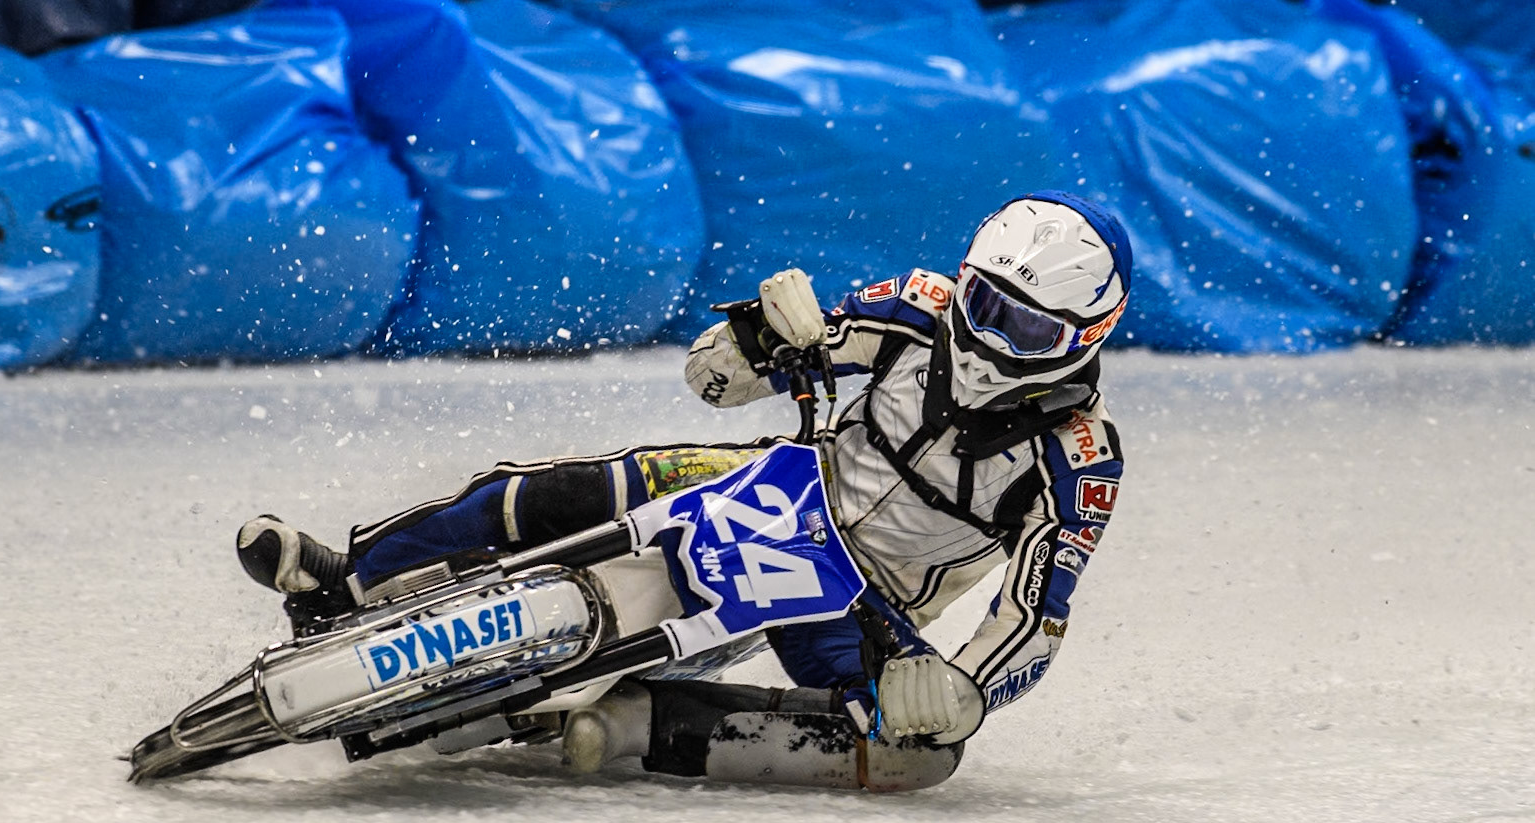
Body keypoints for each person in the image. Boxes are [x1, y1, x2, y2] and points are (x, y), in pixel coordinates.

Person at [236, 189, 1131, 792]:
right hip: (771, 487)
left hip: (862, 599)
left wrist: (967, 686)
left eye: (1021, 326)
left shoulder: (1078, 459)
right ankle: (344, 572)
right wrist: (756, 339)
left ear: (1086, 338)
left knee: (919, 757)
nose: (982, 338)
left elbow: (1035, 618)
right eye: (980, 301)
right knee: (557, 488)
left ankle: (634, 725)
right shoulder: (917, 307)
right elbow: (714, 380)